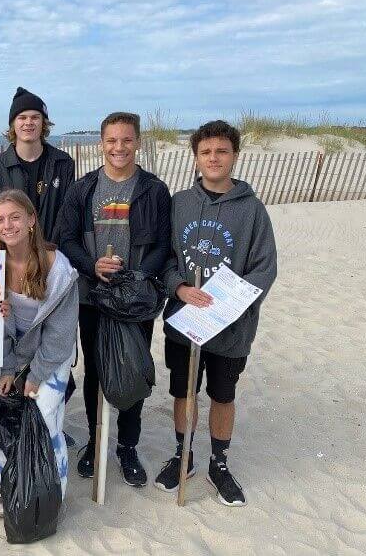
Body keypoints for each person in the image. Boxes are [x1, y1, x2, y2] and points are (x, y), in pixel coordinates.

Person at [155, 120, 277, 506]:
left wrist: (231, 304)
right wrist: (179, 287)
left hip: (230, 327)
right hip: (187, 322)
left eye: (221, 151)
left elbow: (264, 268)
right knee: (184, 390)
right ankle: (183, 455)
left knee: (222, 395)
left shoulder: (253, 211)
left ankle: (219, 463)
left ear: (234, 156)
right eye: (206, 152)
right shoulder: (180, 203)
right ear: (196, 157)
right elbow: (166, 258)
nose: (213, 158)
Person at [57, 111, 171, 486]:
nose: (119, 147)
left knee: (133, 370)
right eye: (112, 140)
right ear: (101, 143)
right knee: (95, 373)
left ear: (137, 141)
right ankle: (95, 440)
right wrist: (92, 266)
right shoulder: (83, 189)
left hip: (136, 300)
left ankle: (128, 447)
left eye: (126, 140)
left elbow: (162, 245)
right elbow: (65, 238)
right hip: (92, 297)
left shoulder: (153, 190)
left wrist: (133, 275)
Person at [0, 190, 79, 519]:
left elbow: (60, 333)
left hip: (49, 358)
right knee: (4, 422)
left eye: (15, 217)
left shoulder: (59, 269)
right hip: (12, 356)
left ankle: (51, 494)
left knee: (44, 424)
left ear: (31, 220)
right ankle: (7, 486)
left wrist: (36, 375)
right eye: (0, 219)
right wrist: (8, 371)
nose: (7, 225)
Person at [0, 87, 74, 242]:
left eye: (35, 117)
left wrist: (50, 251)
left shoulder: (63, 163)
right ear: (13, 123)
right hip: (12, 255)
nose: (29, 122)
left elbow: (67, 215)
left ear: (43, 123)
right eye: (22, 117)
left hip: (53, 253)